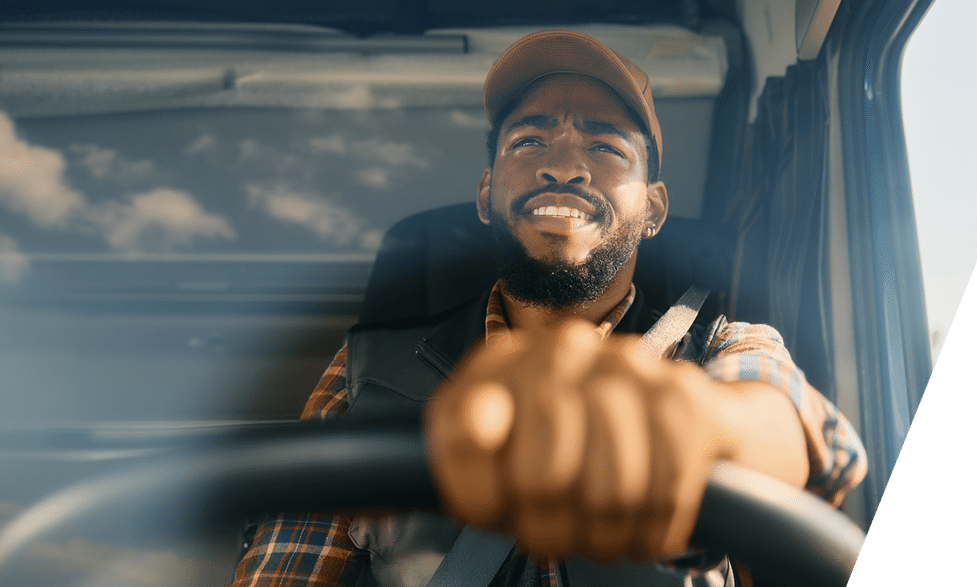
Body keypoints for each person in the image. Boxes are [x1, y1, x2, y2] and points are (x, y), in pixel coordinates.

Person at [231, 30, 866, 587]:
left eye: (607, 148)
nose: (563, 168)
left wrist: (697, 426)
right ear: (486, 195)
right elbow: (288, 565)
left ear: (654, 209)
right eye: (529, 142)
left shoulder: (727, 346)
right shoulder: (367, 368)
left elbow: (814, 439)